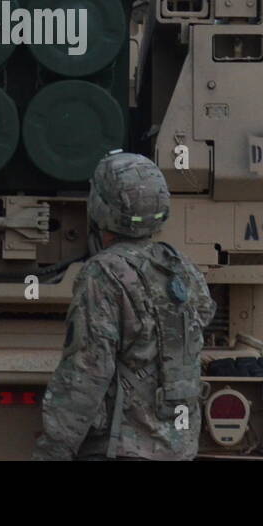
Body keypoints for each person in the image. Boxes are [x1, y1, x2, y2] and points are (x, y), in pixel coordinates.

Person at [32, 152, 216, 460]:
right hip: (177, 448)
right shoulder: (181, 267)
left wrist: (54, 449)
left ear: (100, 208)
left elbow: (87, 372)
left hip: (121, 447)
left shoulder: (103, 274)